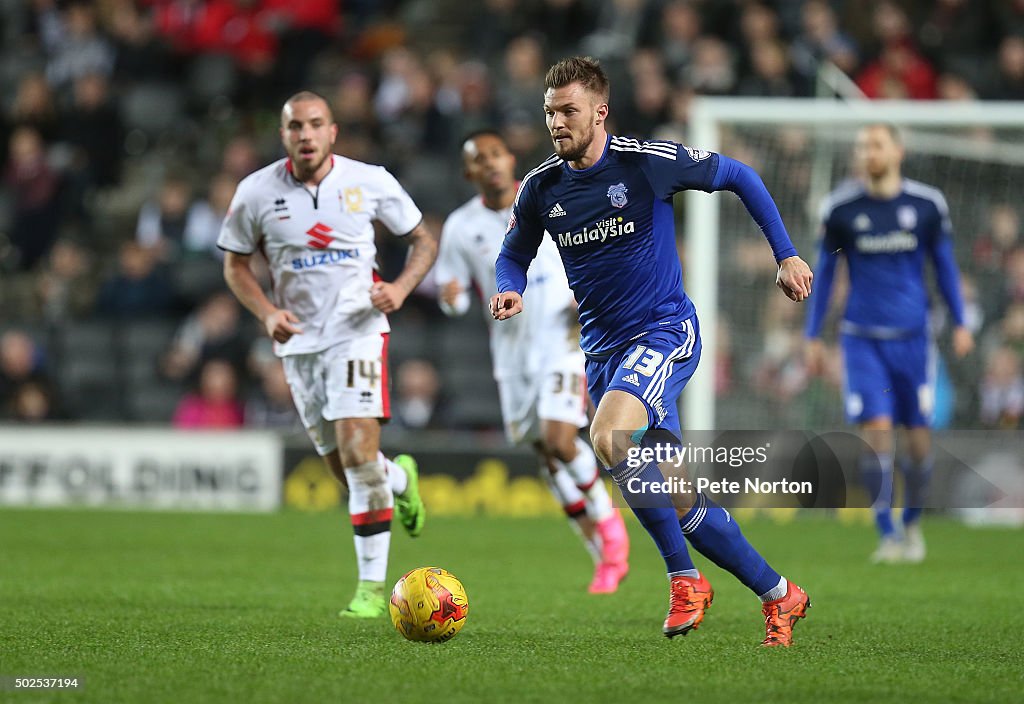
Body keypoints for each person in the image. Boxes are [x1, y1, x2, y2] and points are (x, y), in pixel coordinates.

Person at [492, 56, 814, 646]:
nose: (557, 123)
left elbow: (740, 175)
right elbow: (514, 252)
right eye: (549, 113)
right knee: (675, 490)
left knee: (609, 436)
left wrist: (785, 254)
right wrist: (508, 289)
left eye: (568, 111)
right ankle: (780, 594)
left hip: (664, 331)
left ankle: (683, 578)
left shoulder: (645, 163)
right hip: (603, 353)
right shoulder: (541, 188)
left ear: (599, 111)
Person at [218, 90, 438, 618]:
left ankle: (370, 590)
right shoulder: (255, 192)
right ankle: (402, 478)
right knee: (348, 470)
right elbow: (235, 266)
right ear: (284, 135)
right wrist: (268, 313)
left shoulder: (371, 180)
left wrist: (402, 289)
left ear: (333, 131)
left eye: (316, 124)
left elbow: (424, 241)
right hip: (299, 344)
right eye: (296, 126)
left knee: (360, 459)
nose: (306, 135)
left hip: (358, 329)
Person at [437, 129, 630, 594]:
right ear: (470, 173)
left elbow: (599, 247)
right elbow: (454, 294)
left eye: (497, 153)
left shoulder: (548, 192)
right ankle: (598, 553)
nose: (491, 163)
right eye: (480, 159)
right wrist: (452, 298)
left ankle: (613, 530)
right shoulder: (461, 227)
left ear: (510, 157)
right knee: (545, 454)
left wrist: (590, 301)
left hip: (562, 340)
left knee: (560, 437)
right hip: (512, 354)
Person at [804, 123, 974, 564]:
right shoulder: (841, 209)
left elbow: (944, 265)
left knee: (917, 440)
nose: (867, 152)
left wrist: (959, 322)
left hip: (914, 340)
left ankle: (912, 522)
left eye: (876, 145)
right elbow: (824, 275)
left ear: (898, 151)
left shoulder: (926, 205)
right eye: (861, 146)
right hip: (861, 339)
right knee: (877, 432)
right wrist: (812, 334)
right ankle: (887, 533)